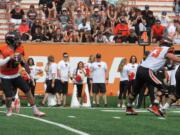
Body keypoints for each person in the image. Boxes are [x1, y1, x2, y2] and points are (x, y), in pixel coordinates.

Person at [126, 37, 180, 116]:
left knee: (135, 91)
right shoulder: (166, 49)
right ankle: (154, 106)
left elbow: (154, 63)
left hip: (140, 69)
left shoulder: (155, 49)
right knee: (163, 88)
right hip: (148, 71)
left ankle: (129, 108)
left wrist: (167, 67)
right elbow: (173, 58)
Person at [0, 30, 45, 117]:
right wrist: (9, 58)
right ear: (10, 41)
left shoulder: (20, 48)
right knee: (9, 97)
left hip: (16, 74)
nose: (18, 41)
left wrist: (30, 75)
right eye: (16, 39)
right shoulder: (3, 49)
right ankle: (9, 109)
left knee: (28, 91)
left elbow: (23, 63)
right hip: (5, 76)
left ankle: (35, 110)